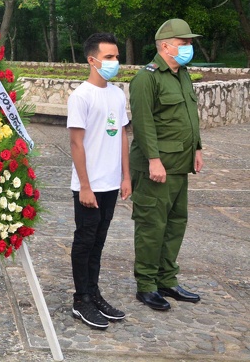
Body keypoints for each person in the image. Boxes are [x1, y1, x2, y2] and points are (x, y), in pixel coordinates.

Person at [130, 18, 204, 311]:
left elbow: (190, 116)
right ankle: (146, 285)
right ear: (165, 46)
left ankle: (167, 280)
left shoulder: (182, 74)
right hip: (156, 167)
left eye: (189, 42)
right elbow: (144, 124)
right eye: (184, 42)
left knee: (175, 223)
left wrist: (197, 148)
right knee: (152, 225)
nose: (189, 47)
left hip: (180, 163)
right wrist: (153, 160)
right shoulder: (146, 78)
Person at [67, 33, 131, 329]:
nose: (114, 62)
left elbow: (122, 137)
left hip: (111, 182)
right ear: (92, 60)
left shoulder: (117, 94)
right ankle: (81, 300)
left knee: (99, 241)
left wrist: (125, 176)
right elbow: (77, 144)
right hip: (89, 186)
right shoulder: (81, 96)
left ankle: (94, 293)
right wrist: (85, 186)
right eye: (108, 57)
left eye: (116, 56)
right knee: (85, 240)